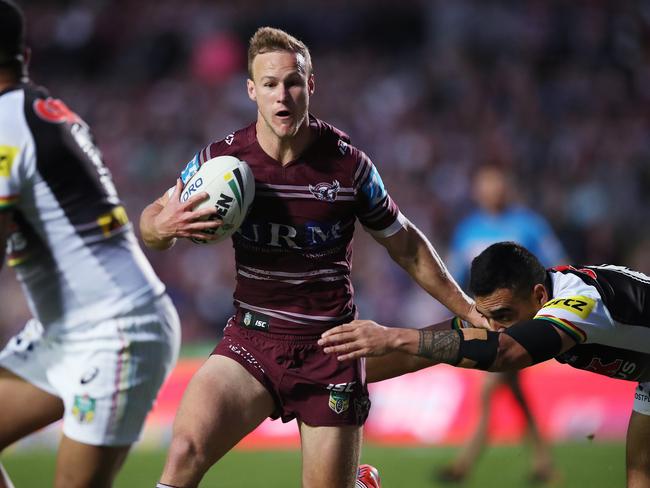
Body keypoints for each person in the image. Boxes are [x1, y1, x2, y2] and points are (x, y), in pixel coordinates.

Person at [140, 26, 485, 488]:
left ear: (310, 85)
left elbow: (403, 243)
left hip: (330, 350)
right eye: (269, 84)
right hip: (251, 342)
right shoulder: (220, 160)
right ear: (251, 90)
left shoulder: (349, 165)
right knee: (184, 450)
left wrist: (466, 309)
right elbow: (152, 222)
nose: (282, 95)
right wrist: (159, 228)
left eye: (293, 82)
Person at [0, 2, 181, 487]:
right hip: (66, 330)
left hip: (115, 330)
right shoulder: (39, 113)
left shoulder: (4, 126)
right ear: (25, 56)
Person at [320, 241, 650, 488]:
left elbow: (506, 353)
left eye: (504, 316)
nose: (495, 328)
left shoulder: (578, 303)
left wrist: (395, 336)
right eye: (488, 316)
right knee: (639, 468)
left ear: (539, 296)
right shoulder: (509, 309)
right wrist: (320, 379)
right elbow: (416, 352)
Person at [439, 165, 566, 483]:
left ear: (506, 187)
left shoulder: (528, 225)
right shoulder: (467, 229)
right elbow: (454, 274)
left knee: (488, 389)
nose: (490, 191)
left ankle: (464, 464)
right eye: (484, 185)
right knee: (514, 393)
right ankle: (544, 463)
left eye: (495, 184)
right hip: (484, 320)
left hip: (520, 323)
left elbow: (555, 264)